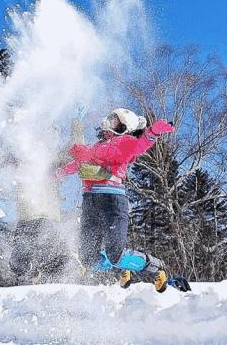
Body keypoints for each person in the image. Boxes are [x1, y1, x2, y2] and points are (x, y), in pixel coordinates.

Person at [57, 108, 190, 292]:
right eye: (110, 117)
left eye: (115, 120)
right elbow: (78, 163)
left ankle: (155, 268)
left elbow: (140, 145)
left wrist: (153, 132)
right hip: (90, 202)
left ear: (123, 127)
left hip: (112, 200)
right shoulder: (95, 146)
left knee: (116, 254)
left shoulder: (125, 142)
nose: (109, 121)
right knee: (88, 257)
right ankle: (120, 269)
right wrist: (58, 174)